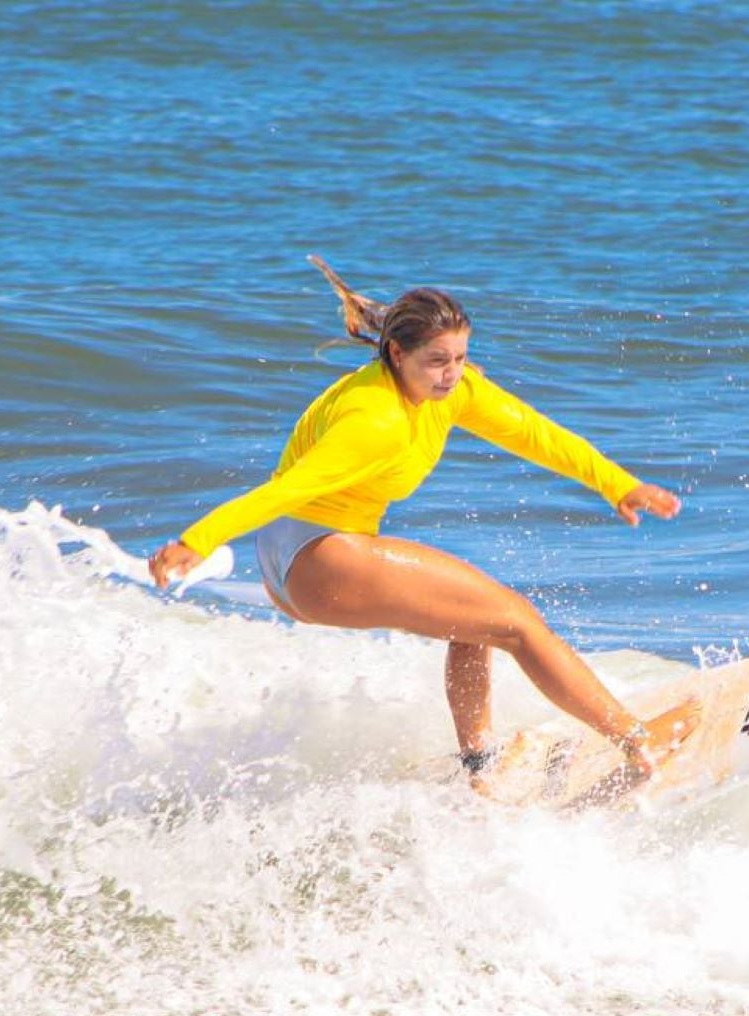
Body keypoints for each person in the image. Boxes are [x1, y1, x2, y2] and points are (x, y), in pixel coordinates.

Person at [148, 262, 698, 786]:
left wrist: (616, 483)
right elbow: (286, 490)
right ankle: (637, 740)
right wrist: (197, 540)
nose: (452, 373)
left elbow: (534, 432)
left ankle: (482, 769)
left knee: (474, 620)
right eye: (438, 360)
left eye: (460, 356)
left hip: (300, 556)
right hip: (315, 558)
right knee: (518, 622)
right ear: (396, 352)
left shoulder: (451, 391)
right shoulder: (373, 418)